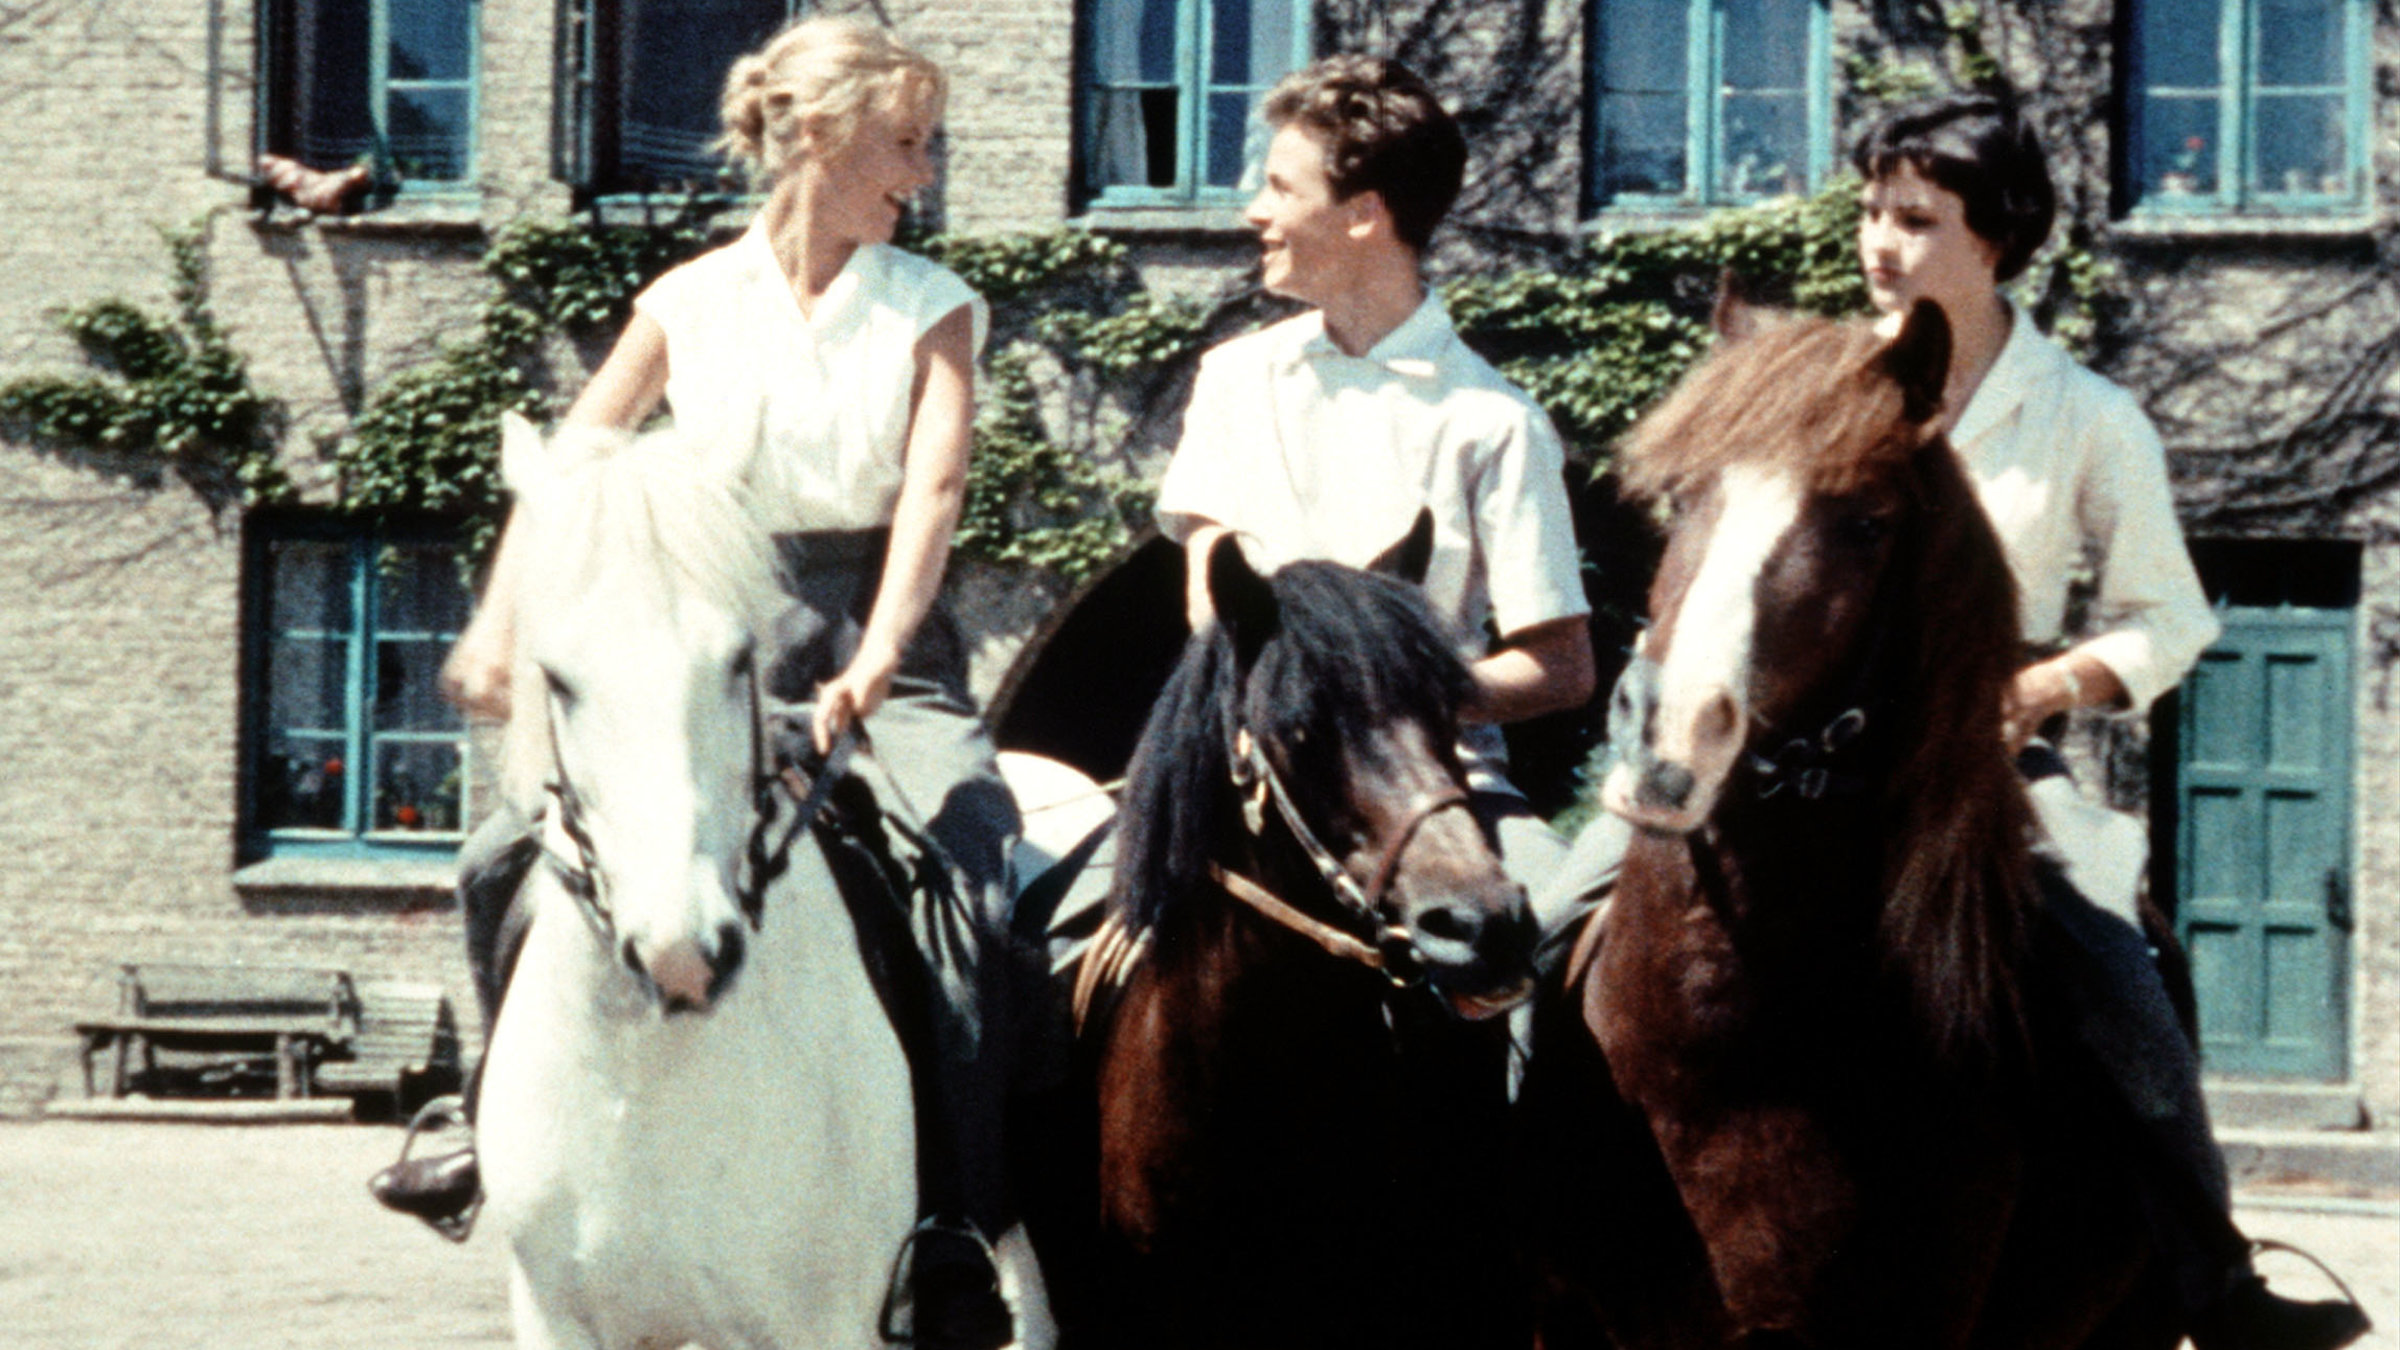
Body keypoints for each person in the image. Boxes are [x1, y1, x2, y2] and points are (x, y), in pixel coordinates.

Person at [367, 17, 1020, 1348]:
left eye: (925, 142)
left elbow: (936, 487)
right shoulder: (687, 300)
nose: (924, 168)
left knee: (978, 879)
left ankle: (953, 1210)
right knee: (502, 852)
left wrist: (884, 651)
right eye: (905, 140)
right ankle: (480, 1119)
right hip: (699, 624)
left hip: (870, 641)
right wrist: (498, 628)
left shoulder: (931, 300)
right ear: (819, 137)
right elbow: (575, 460)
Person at [1852, 91, 2370, 1350]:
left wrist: (2038, 687)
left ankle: (2213, 1272)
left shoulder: (2089, 415)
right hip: (1808, 752)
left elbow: (2169, 620)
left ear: (1997, 237)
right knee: (1581, 908)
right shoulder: (1820, 384)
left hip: (1986, 762)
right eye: (1870, 209)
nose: (1879, 241)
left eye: (1916, 218)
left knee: (2110, 948)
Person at [1154, 53, 1597, 917]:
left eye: (1282, 188)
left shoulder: (1495, 421)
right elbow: (1211, 599)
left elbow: (1562, 668)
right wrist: (1296, 711)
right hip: (1246, 776)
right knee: (1061, 932)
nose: (1256, 211)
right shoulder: (1233, 377)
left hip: (1437, 790)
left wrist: (1387, 708)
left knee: (1552, 933)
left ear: (1363, 214)